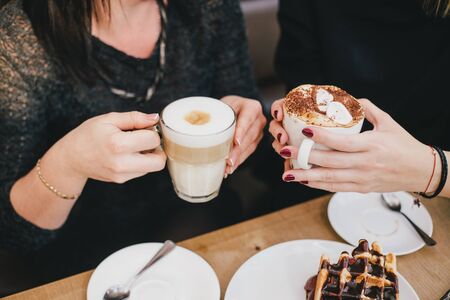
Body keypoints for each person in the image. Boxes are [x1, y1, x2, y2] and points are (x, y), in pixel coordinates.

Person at [0, 0, 266, 293]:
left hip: (204, 233)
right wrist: (68, 163)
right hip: (84, 266)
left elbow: (244, 118)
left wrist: (248, 126)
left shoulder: (210, 7)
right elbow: (13, 234)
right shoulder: (19, 38)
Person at [269, 0, 449, 197]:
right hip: (320, 183)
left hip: (433, 194)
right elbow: (303, 85)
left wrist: (431, 170)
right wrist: (294, 133)